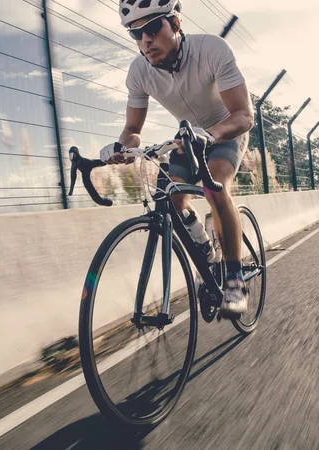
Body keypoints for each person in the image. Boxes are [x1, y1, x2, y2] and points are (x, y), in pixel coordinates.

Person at [100, 0, 254, 317]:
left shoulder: (211, 49)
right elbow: (132, 129)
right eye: (136, 33)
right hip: (187, 139)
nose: (145, 39)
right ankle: (207, 255)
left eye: (153, 28)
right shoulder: (139, 72)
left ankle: (236, 278)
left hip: (226, 130)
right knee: (171, 198)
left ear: (176, 23)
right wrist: (120, 148)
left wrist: (212, 135)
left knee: (215, 188)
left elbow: (244, 114)